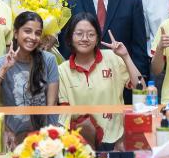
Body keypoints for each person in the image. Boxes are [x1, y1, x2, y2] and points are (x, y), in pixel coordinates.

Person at [60, 0, 149, 83]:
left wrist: (139, 81)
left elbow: (139, 45)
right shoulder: (70, 0)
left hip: (122, 80)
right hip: (81, 79)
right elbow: (66, 44)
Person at [58, 13, 143, 148]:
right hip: (80, 142)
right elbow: (64, 113)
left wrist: (126, 56)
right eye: (79, 34)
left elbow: (141, 88)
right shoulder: (63, 70)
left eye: (91, 34)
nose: (85, 39)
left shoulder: (113, 58)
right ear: (70, 37)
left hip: (115, 140)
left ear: (98, 38)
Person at [0, 11, 59, 145]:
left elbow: (52, 105)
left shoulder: (49, 60)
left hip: (43, 137)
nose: (33, 37)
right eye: (27, 31)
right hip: (13, 137)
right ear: (15, 33)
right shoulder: (0, 63)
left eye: (37, 33)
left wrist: (50, 137)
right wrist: (4, 69)